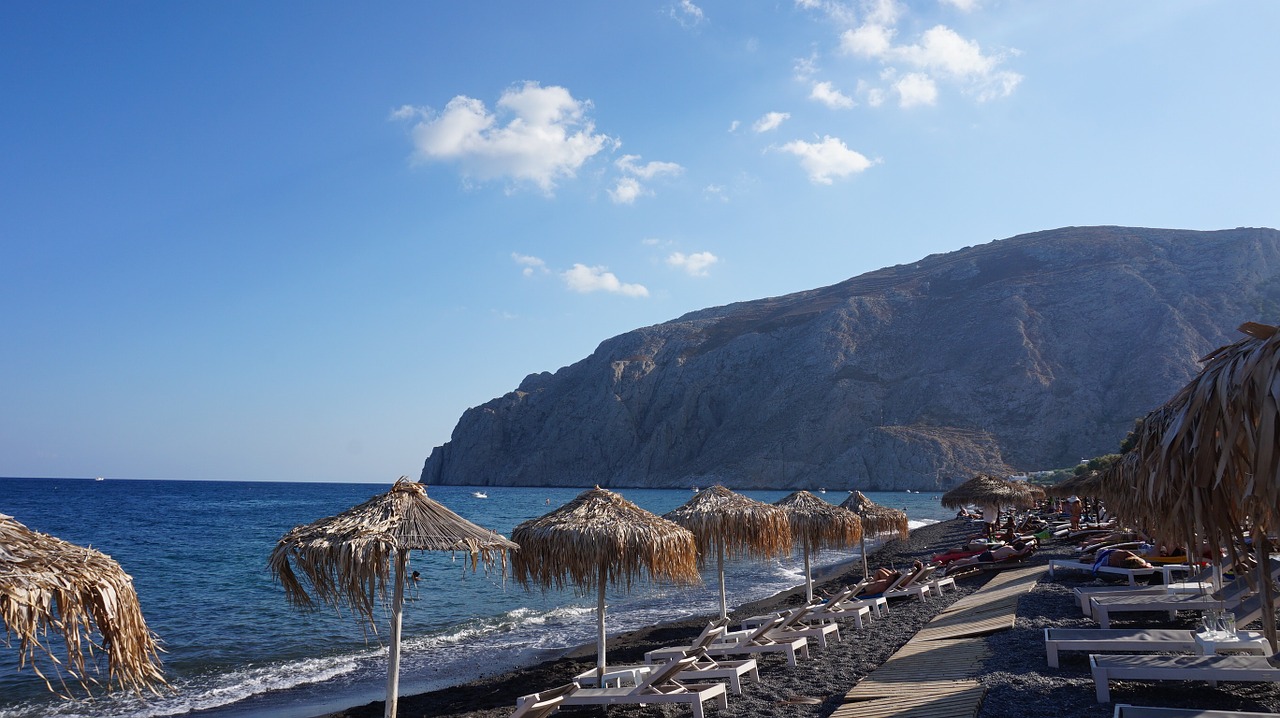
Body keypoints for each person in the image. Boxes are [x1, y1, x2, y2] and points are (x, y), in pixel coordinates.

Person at [945, 539, 1034, 572]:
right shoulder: (1011, 550)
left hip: (989, 554)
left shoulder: (1009, 547)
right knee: (968, 561)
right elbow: (1019, 553)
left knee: (969, 560)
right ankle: (952, 564)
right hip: (989, 557)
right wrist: (1026, 547)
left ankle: (953, 564)